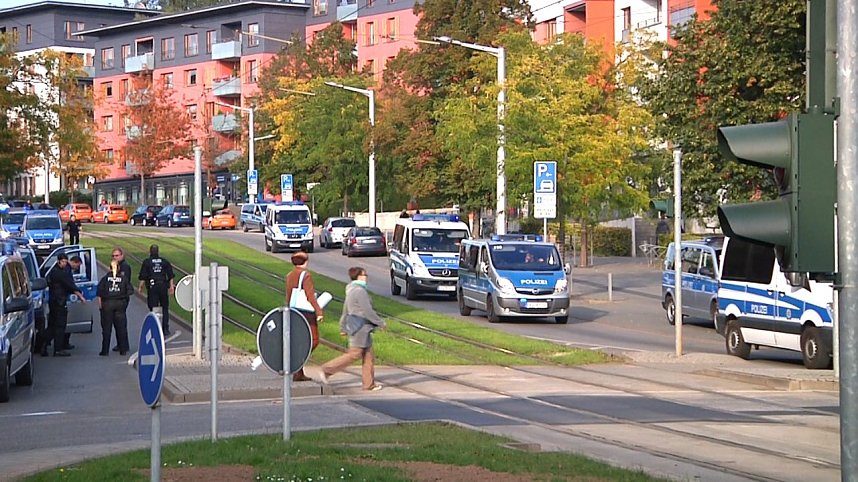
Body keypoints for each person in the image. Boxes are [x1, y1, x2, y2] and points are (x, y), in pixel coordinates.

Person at [317, 267, 386, 391]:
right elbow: (367, 311)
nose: (366, 277)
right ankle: (327, 369)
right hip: (360, 327)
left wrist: (343, 326)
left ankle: (368, 384)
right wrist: (380, 323)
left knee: (368, 355)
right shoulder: (360, 291)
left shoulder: (351, 289)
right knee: (355, 353)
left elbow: (345, 310)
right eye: (365, 275)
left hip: (359, 327)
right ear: (359, 276)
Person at [285, 251, 323, 382]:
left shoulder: (290, 275)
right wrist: (318, 311)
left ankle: (298, 372)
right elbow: (310, 295)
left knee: (300, 340)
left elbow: (288, 295)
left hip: (294, 311)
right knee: (313, 340)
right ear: (305, 261)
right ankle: (296, 363)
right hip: (306, 312)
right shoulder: (305, 275)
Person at [46, 254, 85, 357]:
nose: (64, 263)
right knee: (60, 326)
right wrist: (80, 293)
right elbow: (69, 284)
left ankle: (44, 347)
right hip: (59, 302)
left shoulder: (55, 271)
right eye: (63, 261)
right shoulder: (61, 273)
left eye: (65, 261)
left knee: (52, 325)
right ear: (59, 261)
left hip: (54, 301)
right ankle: (57, 349)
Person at [97, 255, 133, 356]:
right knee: (121, 328)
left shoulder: (105, 279)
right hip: (120, 304)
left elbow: (99, 292)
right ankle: (123, 350)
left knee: (106, 329)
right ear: (119, 268)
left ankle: (105, 351)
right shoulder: (123, 278)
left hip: (107, 304)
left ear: (109, 268)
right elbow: (130, 291)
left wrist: (101, 306)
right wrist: (123, 300)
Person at [138, 244, 175, 335]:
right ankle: (165, 328)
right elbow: (170, 275)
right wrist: (171, 287)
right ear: (158, 251)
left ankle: (155, 326)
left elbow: (143, 276)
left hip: (152, 286)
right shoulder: (164, 261)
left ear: (150, 251)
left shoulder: (147, 262)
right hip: (162, 286)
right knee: (164, 307)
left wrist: (140, 287)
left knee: (153, 307)